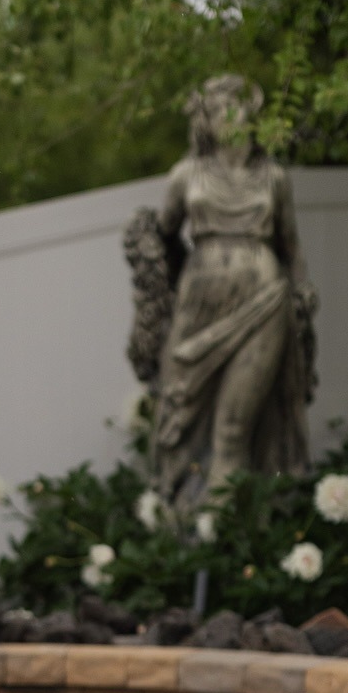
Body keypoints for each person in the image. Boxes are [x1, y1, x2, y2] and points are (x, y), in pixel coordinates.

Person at [139, 75, 316, 503]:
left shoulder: (274, 177)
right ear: (205, 122)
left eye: (239, 110)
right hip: (199, 305)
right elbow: (161, 237)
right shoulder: (186, 175)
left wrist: (304, 290)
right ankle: (177, 518)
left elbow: (291, 247)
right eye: (220, 111)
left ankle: (222, 534)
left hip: (264, 300)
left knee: (235, 427)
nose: (231, 119)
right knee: (176, 408)